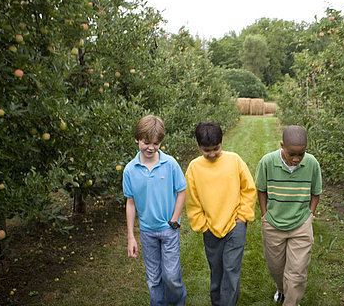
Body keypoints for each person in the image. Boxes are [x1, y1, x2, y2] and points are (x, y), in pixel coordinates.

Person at [185, 121, 257, 306]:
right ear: (198, 146)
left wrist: (242, 218)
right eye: (206, 150)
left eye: (215, 149)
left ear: (221, 142)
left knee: (231, 270)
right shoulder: (194, 168)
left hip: (235, 225)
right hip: (211, 228)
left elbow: (248, 189)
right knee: (216, 270)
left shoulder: (234, 161)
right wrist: (203, 225)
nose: (211, 154)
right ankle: (217, 302)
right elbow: (192, 200)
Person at [123, 115, 187, 306]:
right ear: (137, 139)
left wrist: (174, 220)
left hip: (169, 229)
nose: (151, 147)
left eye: (156, 143)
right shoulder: (130, 170)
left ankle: (177, 302)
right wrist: (131, 237)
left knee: (172, 276)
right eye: (146, 142)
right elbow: (131, 203)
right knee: (153, 278)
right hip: (147, 231)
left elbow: (181, 191)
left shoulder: (170, 164)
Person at [255, 125, 322, 306]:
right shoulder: (267, 162)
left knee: (297, 272)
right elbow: (261, 190)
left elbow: (316, 192)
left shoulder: (312, 163)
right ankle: (282, 289)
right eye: (291, 153)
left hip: (301, 223)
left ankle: (291, 301)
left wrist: (310, 215)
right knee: (276, 267)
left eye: (301, 154)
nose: (296, 159)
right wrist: (265, 215)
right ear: (282, 145)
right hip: (273, 223)